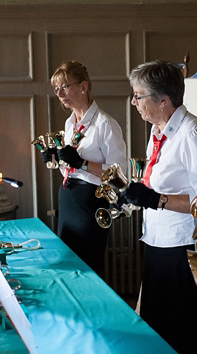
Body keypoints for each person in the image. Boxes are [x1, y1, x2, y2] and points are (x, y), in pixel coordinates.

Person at [120, 60, 197, 354]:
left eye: (139, 95)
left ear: (163, 100)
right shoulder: (159, 131)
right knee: (159, 326)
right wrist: (141, 194)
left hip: (188, 247)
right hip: (159, 241)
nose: (134, 102)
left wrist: (157, 200)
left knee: (188, 331)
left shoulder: (192, 134)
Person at [44, 60, 127, 275]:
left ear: (83, 86)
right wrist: (57, 159)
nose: (60, 93)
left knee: (87, 267)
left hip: (92, 202)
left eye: (65, 86)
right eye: (56, 88)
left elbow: (120, 175)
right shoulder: (70, 124)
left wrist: (81, 162)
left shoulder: (105, 124)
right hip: (69, 198)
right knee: (68, 264)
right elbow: (70, 166)